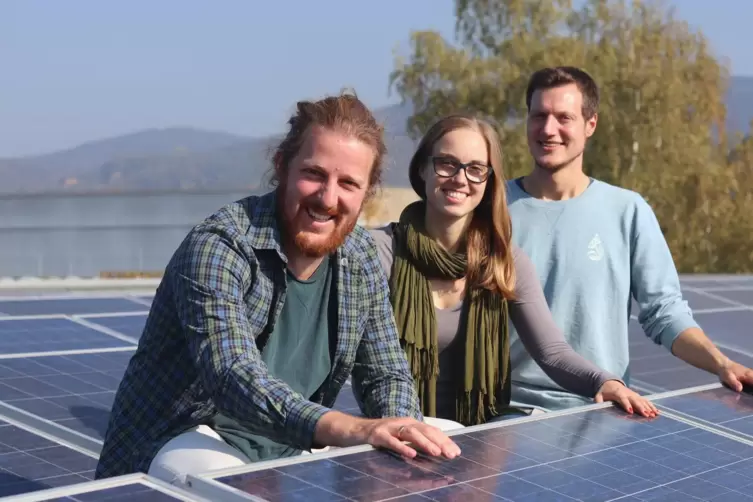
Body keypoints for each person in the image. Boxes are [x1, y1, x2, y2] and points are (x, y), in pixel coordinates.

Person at [94, 91, 461, 485]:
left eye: (349, 183)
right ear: (283, 165)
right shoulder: (220, 246)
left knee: (447, 440)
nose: (328, 197)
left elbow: (385, 374)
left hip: (287, 449)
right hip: (187, 439)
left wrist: (403, 432)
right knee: (220, 488)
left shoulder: (360, 257)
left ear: (367, 194)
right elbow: (231, 375)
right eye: (314, 174)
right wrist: (351, 429)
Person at [369, 114, 657, 427]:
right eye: (446, 163)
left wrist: (605, 382)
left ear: (489, 181)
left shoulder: (505, 262)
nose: (460, 178)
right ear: (423, 168)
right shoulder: (382, 253)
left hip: (479, 435)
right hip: (398, 433)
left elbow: (552, 352)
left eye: (476, 169)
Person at [506, 66, 753, 413]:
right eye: (539, 116)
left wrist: (721, 363)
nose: (549, 129)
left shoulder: (627, 211)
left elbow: (664, 313)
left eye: (564, 117)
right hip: (505, 415)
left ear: (591, 124)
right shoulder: (492, 210)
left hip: (601, 407)